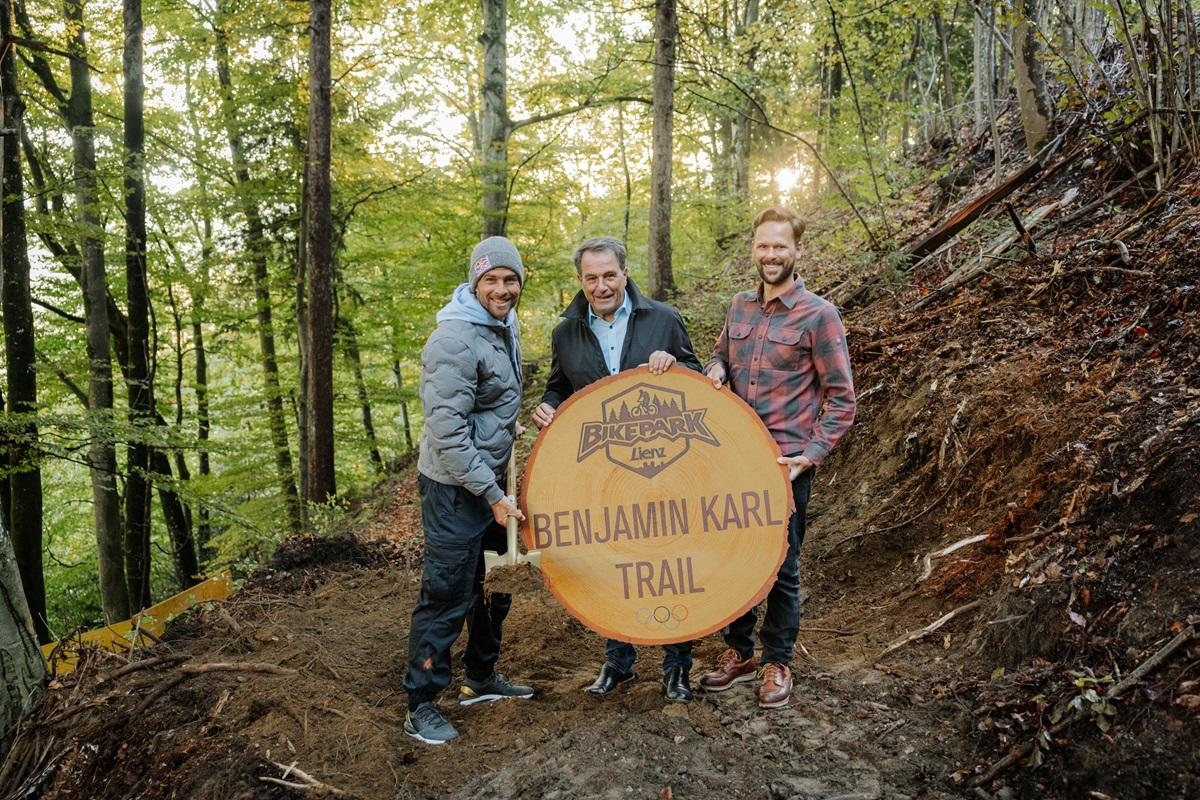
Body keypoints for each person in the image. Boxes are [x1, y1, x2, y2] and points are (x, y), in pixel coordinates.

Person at [531, 236, 702, 703]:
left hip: (665, 466)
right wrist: (547, 408)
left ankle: (677, 666)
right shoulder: (566, 332)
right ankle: (618, 663)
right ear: (581, 280)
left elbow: (699, 377)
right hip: (603, 474)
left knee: (670, 562)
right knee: (615, 562)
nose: (601, 285)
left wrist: (675, 364)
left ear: (624, 273)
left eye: (610, 275)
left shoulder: (662, 319)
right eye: (592, 278)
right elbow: (559, 386)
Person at [699, 206, 856, 709]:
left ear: (797, 250)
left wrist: (809, 457)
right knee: (733, 558)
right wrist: (716, 370)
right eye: (763, 246)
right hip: (732, 459)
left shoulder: (819, 314)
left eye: (780, 246)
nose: (771, 255)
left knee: (782, 566)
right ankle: (740, 653)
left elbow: (843, 399)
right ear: (754, 248)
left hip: (783, 464)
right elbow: (719, 354)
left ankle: (777, 661)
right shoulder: (739, 306)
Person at [402, 236, 535, 745]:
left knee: (497, 583)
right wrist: (494, 495)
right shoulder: (453, 339)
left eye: (509, 279)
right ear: (474, 283)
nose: (501, 289)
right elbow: (448, 434)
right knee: (448, 591)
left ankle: (480, 678)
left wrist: (508, 428)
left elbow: (488, 399)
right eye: (491, 281)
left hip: (490, 478)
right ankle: (421, 702)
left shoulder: (504, 324)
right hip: (456, 487)